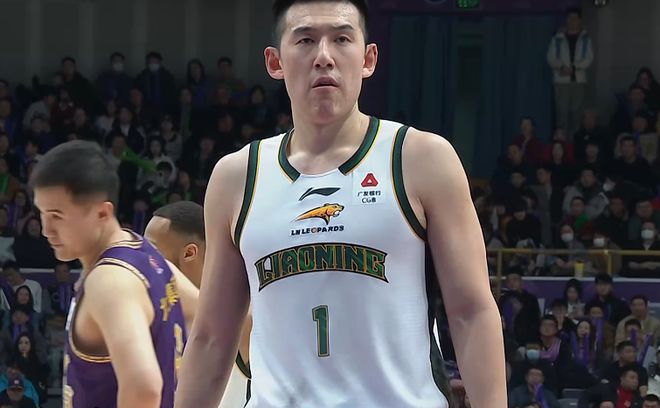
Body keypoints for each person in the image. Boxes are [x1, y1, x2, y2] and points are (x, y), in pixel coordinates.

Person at [175, 0, 506, 407]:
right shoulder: (237, 177)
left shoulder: (420, 158)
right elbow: (211, 337)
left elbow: (471, 311)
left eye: (342, 39)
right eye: (306, 40)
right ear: (275, 62)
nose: (324, 57)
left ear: (368, 59)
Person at [29, 140, 198, 408]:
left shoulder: (109, 281)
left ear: (102, 212)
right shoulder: (143, 250)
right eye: (42, 214)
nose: (46, 229)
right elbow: (207, 315)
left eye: (57, 215)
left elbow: (144, 388)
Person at [145, 201, 252, 407]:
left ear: (189, 253)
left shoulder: (243, 317)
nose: (145, 260)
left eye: (152, 251)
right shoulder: (151, 314)